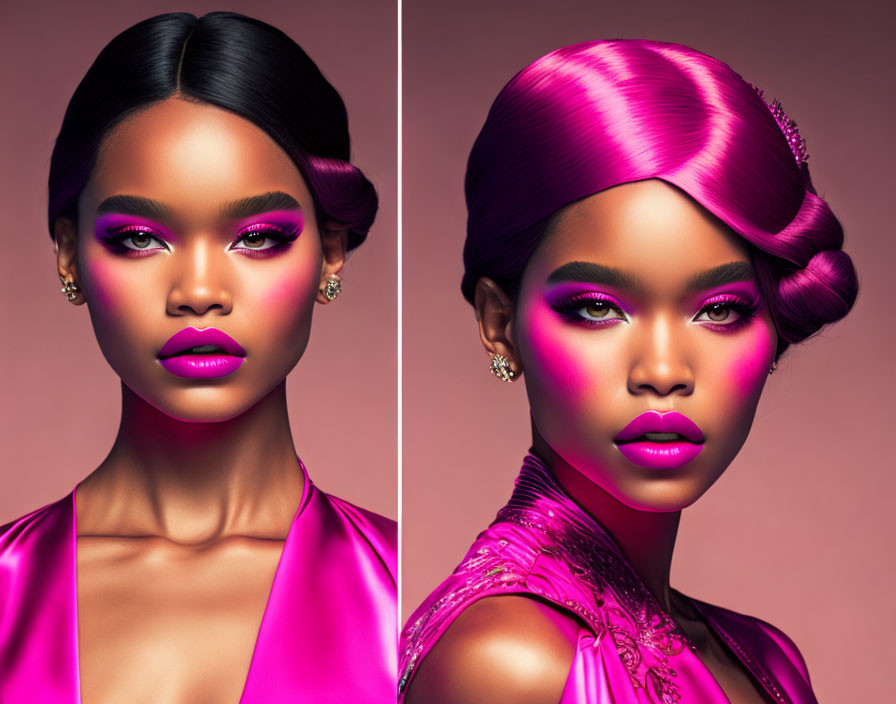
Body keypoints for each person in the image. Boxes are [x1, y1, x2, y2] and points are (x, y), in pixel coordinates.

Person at [399, 39, 857, 704]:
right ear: (501, 323)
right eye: (597, 309)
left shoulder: (772, 661)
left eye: (720, 310)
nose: (663, 370)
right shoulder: (505, 664)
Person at [0, 12, 395, 702]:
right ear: (69, 255)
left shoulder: (414, 604)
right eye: (139, 238)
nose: (199, 293)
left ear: (330, 251)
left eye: (259, 236)